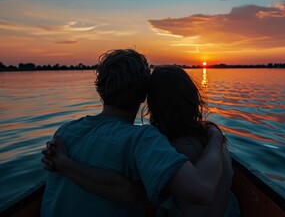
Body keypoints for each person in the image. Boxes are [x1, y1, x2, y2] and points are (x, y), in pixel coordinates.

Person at [40, 49, 225, 217]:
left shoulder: (64, 132)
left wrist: (65, 164)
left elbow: (128, 192)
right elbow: (202, 190)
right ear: (144, 95)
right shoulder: (142, 139)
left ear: (100, 89)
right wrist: (215, 136)